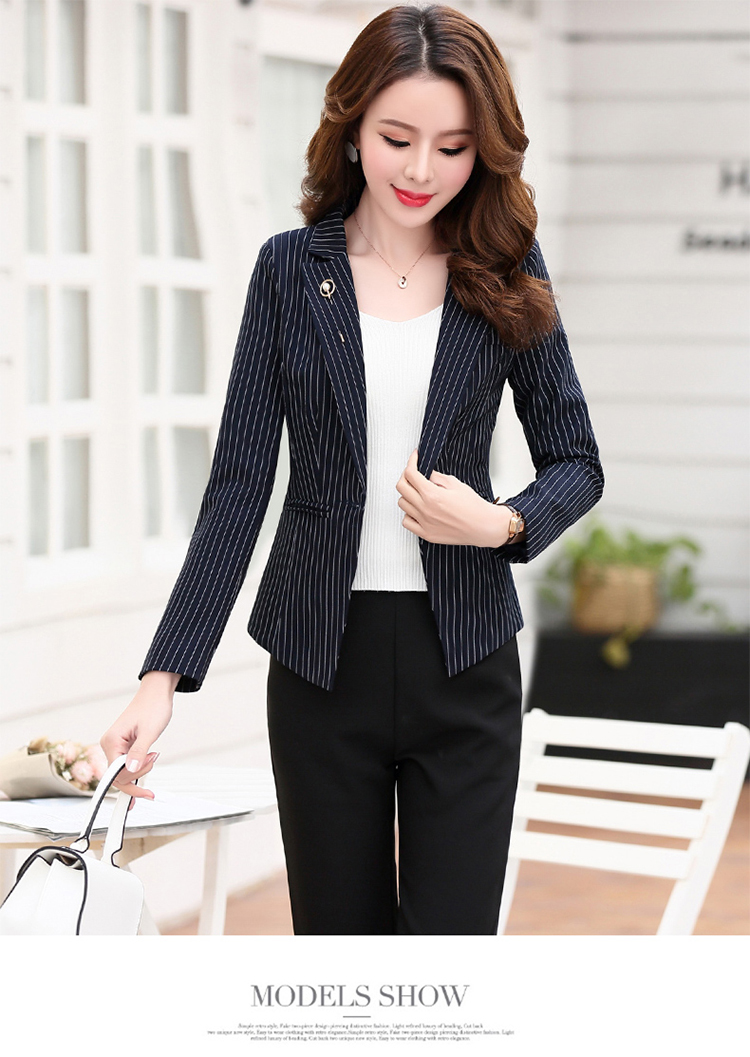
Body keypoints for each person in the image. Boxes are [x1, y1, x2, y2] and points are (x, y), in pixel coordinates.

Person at [100, 3, 604, 935]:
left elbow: (576, 460)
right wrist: (162, 676)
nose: (421, 171)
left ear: (485, 149)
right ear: (352, 125)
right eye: (397, 139)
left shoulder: (503, 263)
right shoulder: (290, 272)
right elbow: (239, 486)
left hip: (467, 659)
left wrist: (499, 522)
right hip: (321, 664)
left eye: (453, 148)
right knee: (340, 963)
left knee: (449, 968)